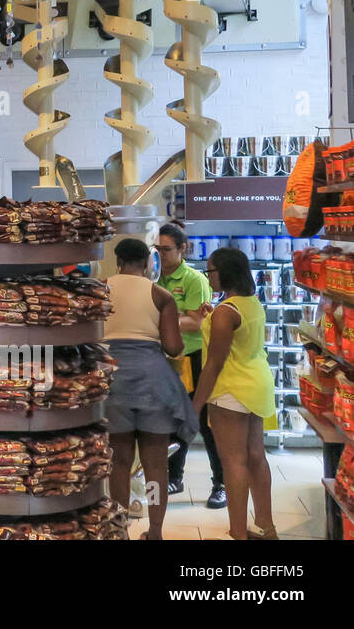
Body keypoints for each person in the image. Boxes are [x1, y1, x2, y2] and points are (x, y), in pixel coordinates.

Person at [103, 238, 200, 540]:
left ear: (117, 262)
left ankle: (120, 531)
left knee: (118, 462)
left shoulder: (99, 288)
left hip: (111, 378)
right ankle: (155, 530)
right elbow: (173, 348)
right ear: (147, 263)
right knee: (156, 464)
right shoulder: (160, 294)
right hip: (153, 383)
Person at [192, 247, 278, 540]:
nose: (208, 276)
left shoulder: (225, 313)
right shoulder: (250, 302)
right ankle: (267, 527)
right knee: (256, 456)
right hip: (257, 384)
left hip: (230, 390)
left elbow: (214, 365)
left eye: (210, 271)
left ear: (224, 272)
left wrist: (195, 405)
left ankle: (239, 533)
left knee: (233, 463)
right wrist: (212, 316)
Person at [157, 221, 225, 507]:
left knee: (205, 423)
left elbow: (197, 323)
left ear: (183, 248)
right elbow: (183, 320)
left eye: (167, 249)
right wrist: (176, 320)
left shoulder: (194, 280)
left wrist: (160, 321)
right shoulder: (153, 277)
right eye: (157, 249)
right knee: (172, 422)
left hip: (193, 359)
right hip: (164, 359)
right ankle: (174, 478)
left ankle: (221, 484)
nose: (161, 255)